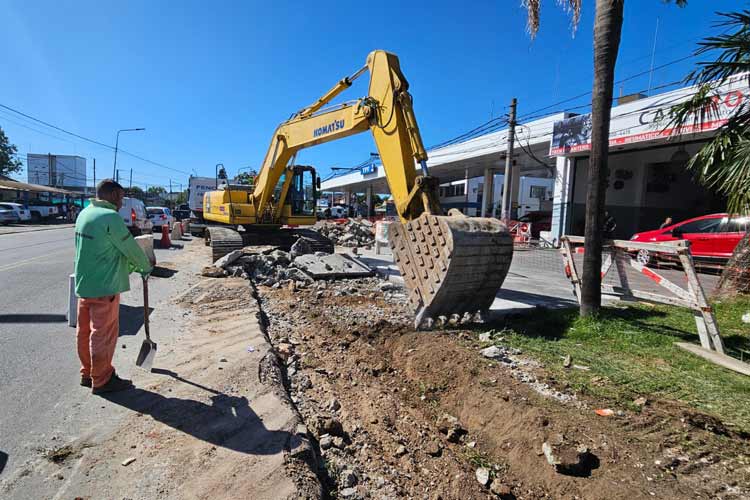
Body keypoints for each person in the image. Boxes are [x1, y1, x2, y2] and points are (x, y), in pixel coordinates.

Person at [74, 179, 153, 394]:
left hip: (84, 284)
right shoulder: (110, 218)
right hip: (105, 287)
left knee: (84, 331)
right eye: (121, 197)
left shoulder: (84, 213)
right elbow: (130, 248)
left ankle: (87, 373)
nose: (122, 202)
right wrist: (145, 267)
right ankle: (102, 380)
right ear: (113, 195)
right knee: (103, 334)